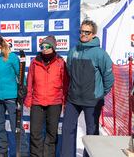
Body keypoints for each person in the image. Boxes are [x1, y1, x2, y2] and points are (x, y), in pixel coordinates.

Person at [61, 19, 114, 157]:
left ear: (93, 34)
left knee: (92, 134)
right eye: (81, 31)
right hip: (73, 99)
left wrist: (100, 94)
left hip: (92, 100)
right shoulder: (73, 51)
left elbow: (109, 78)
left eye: (87, 32)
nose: (83, 34)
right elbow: (69, 71)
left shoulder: (100, 53)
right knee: (67, 129)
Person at [24, 35, 69, 157]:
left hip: (55, 102)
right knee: (35, 133)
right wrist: (28, 99)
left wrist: (64, 102)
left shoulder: (60, 62)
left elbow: (65, 83)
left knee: (51, 134)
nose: (44, 48)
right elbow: (29, 82)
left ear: (53, 48)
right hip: (37, 101)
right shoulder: (35, 61)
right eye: (42, 46)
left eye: (47, 46)